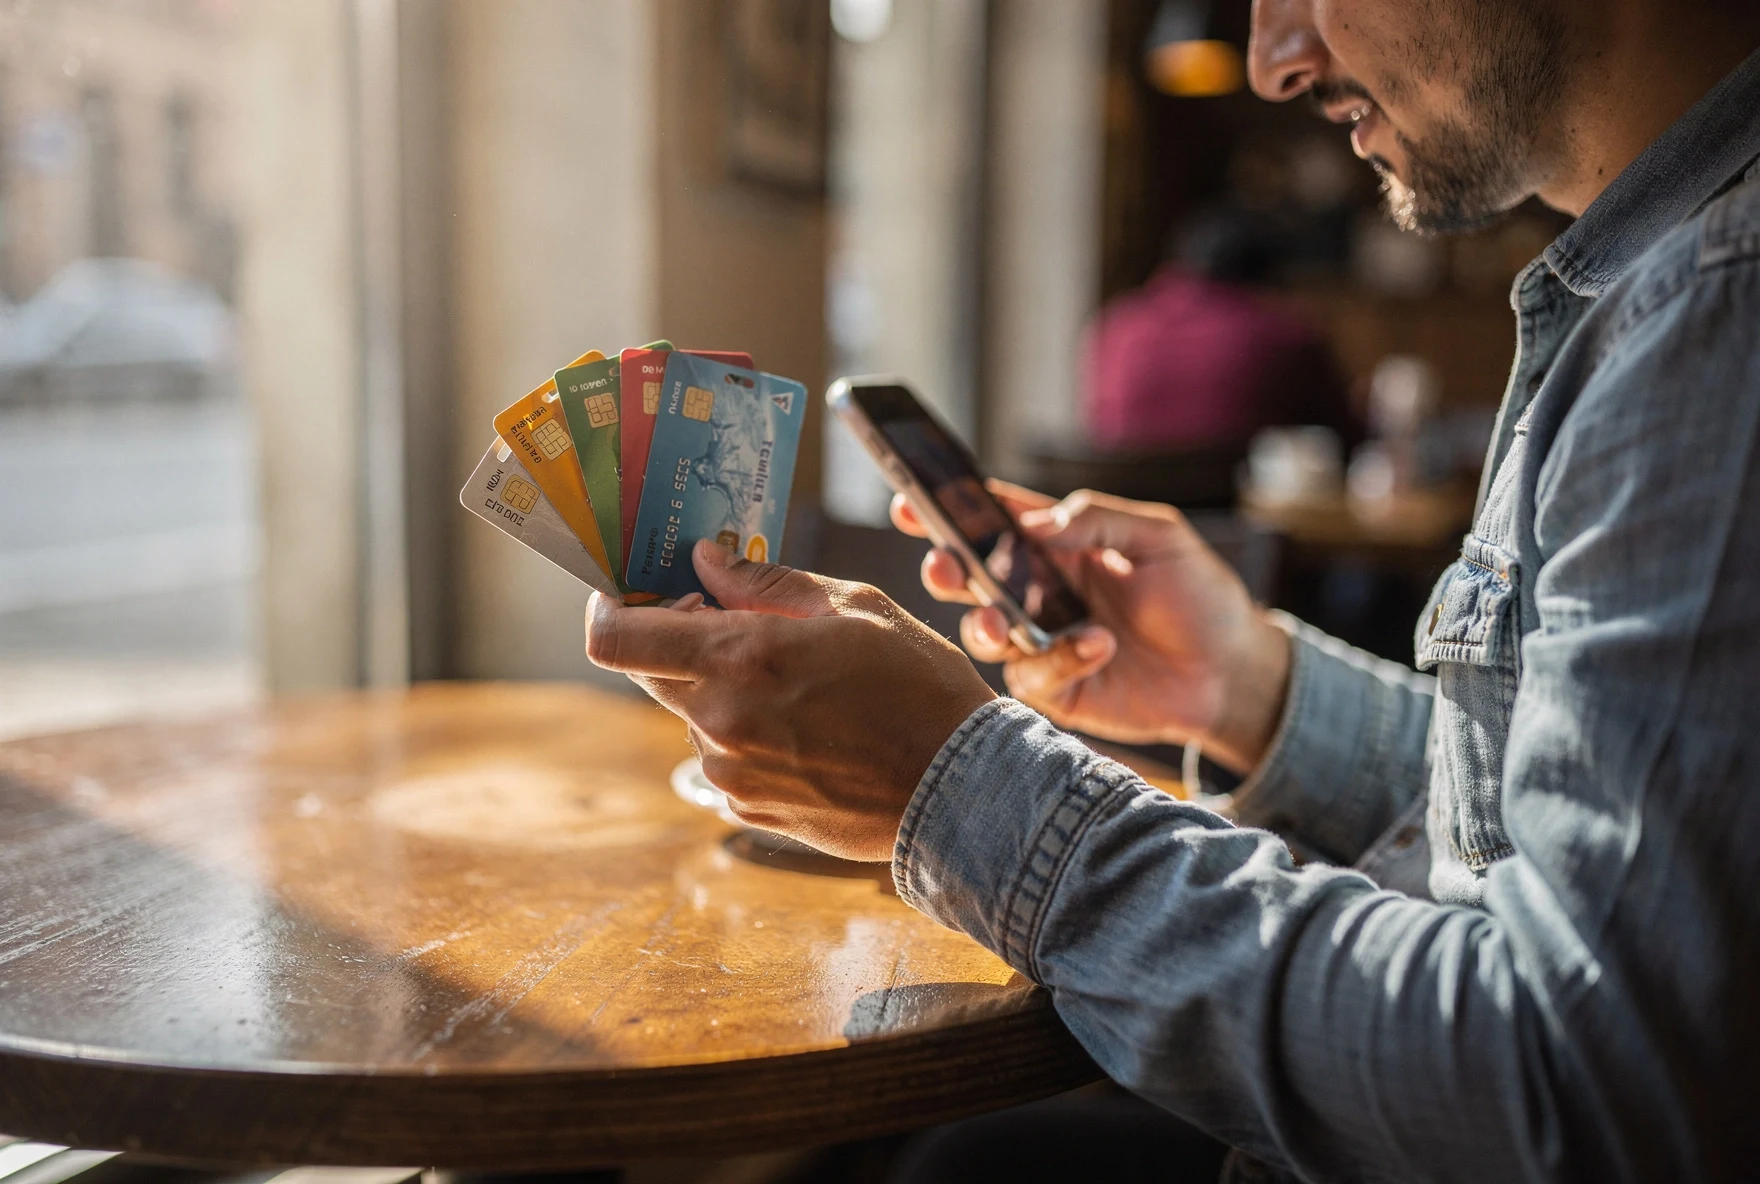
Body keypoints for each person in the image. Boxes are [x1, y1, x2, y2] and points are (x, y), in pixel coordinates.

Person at [585, 1, 1760, 1178]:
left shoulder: (1711, 314)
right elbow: (1556, 827)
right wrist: (1250, 685)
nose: (1270, 60)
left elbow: (1582, 1088)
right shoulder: (1648, 288)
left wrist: (957, 790)